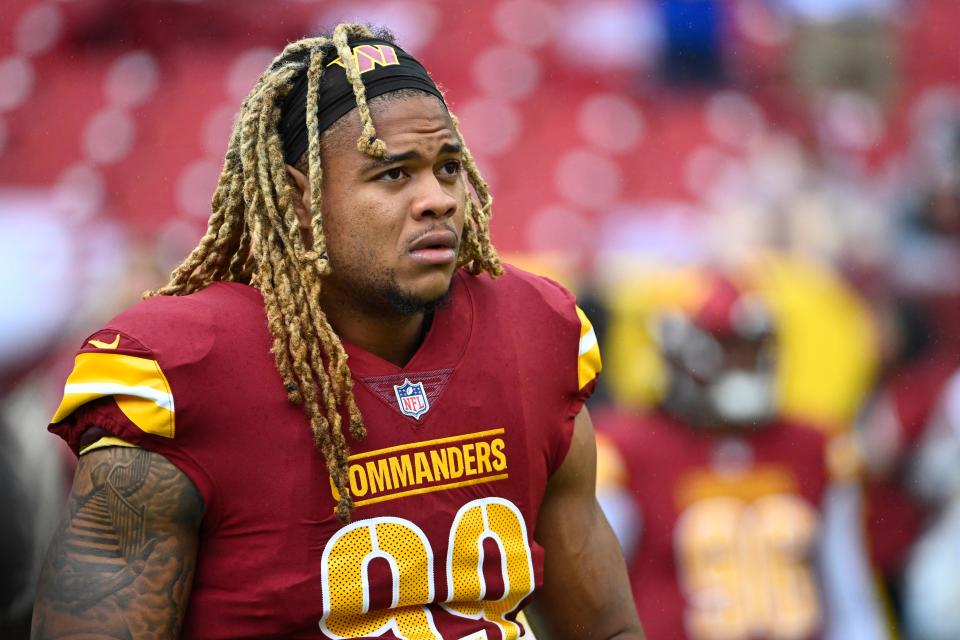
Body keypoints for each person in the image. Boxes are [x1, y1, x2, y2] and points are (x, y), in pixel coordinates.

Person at [31, 23, 642, 640]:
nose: (438, 199)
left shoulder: (534, 331)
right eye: (394, 174)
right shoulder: (181, 371)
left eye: (449, 167)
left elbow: (606, 628)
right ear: (301, 199)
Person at [594, 271, 887, 640]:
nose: (742, 368)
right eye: (727, 349)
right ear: (681, 356)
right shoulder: (627, 448)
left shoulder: (816, 446)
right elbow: (594, 600)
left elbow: (850, 593)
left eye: (749, 350)